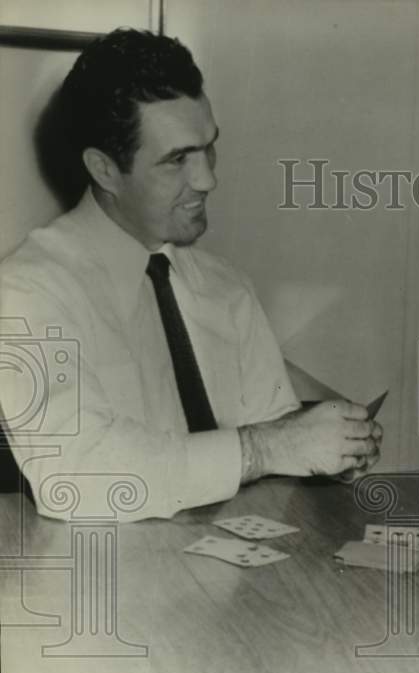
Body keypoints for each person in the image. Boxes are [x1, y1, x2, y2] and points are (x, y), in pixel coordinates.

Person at [0, 29, 382, 520]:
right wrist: (265, 449)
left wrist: (332, 449)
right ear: (104, 169)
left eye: (208, 149)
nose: (208, 179)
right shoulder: (28, 292)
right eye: (177, 160)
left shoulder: (225, 285)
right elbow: (76, 474)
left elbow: (275, 433)